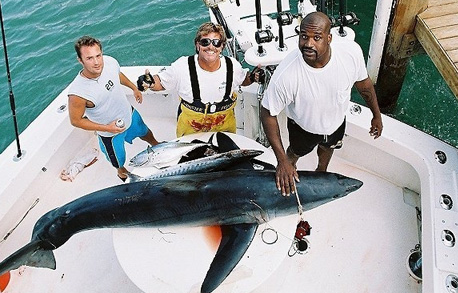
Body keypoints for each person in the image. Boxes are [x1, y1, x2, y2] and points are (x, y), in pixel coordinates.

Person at [261, 11, 383, 196]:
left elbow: (364, 84)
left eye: (316, 37)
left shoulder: (350, 52)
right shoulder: (286, 75)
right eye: (303, 37)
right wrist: (282, 161)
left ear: (329, 38)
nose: (308, 44)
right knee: (294, 151)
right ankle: (289, 166)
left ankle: (321, 172)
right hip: (302, 128)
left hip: (336, 124)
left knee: (328, 147)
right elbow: (267, 113)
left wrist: (376, 114)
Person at [140, 22, 260, 137]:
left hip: (224, 127)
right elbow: (160, 82)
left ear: (222, 46)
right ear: (197, 45)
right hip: (191, 129)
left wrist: (253, 77)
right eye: (205, 42)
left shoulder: (232, 66)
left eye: (216, 42)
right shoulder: (182, 66)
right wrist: (149, 82)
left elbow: (243, 80)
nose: (211, 46)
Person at [68, 35, 160, 181]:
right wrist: (107, 128)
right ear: (80, 60)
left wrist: (133, 88)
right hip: (109, 133)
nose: (97, 62)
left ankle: (156, 145)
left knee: (145, 131)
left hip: (128, 113)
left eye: (98, 55)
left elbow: (118, 75)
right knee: (119, 160)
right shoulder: (78, 93)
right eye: (89, 58)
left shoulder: (110, 62)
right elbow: (76, 121)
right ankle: (122, 172)